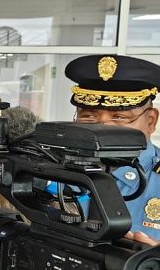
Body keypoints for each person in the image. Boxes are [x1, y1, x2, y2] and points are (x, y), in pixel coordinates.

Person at [65, 54, 160, 240]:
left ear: (151, 121)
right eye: (89, 116)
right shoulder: (52, 170)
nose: (102, 128)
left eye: (119, 117)